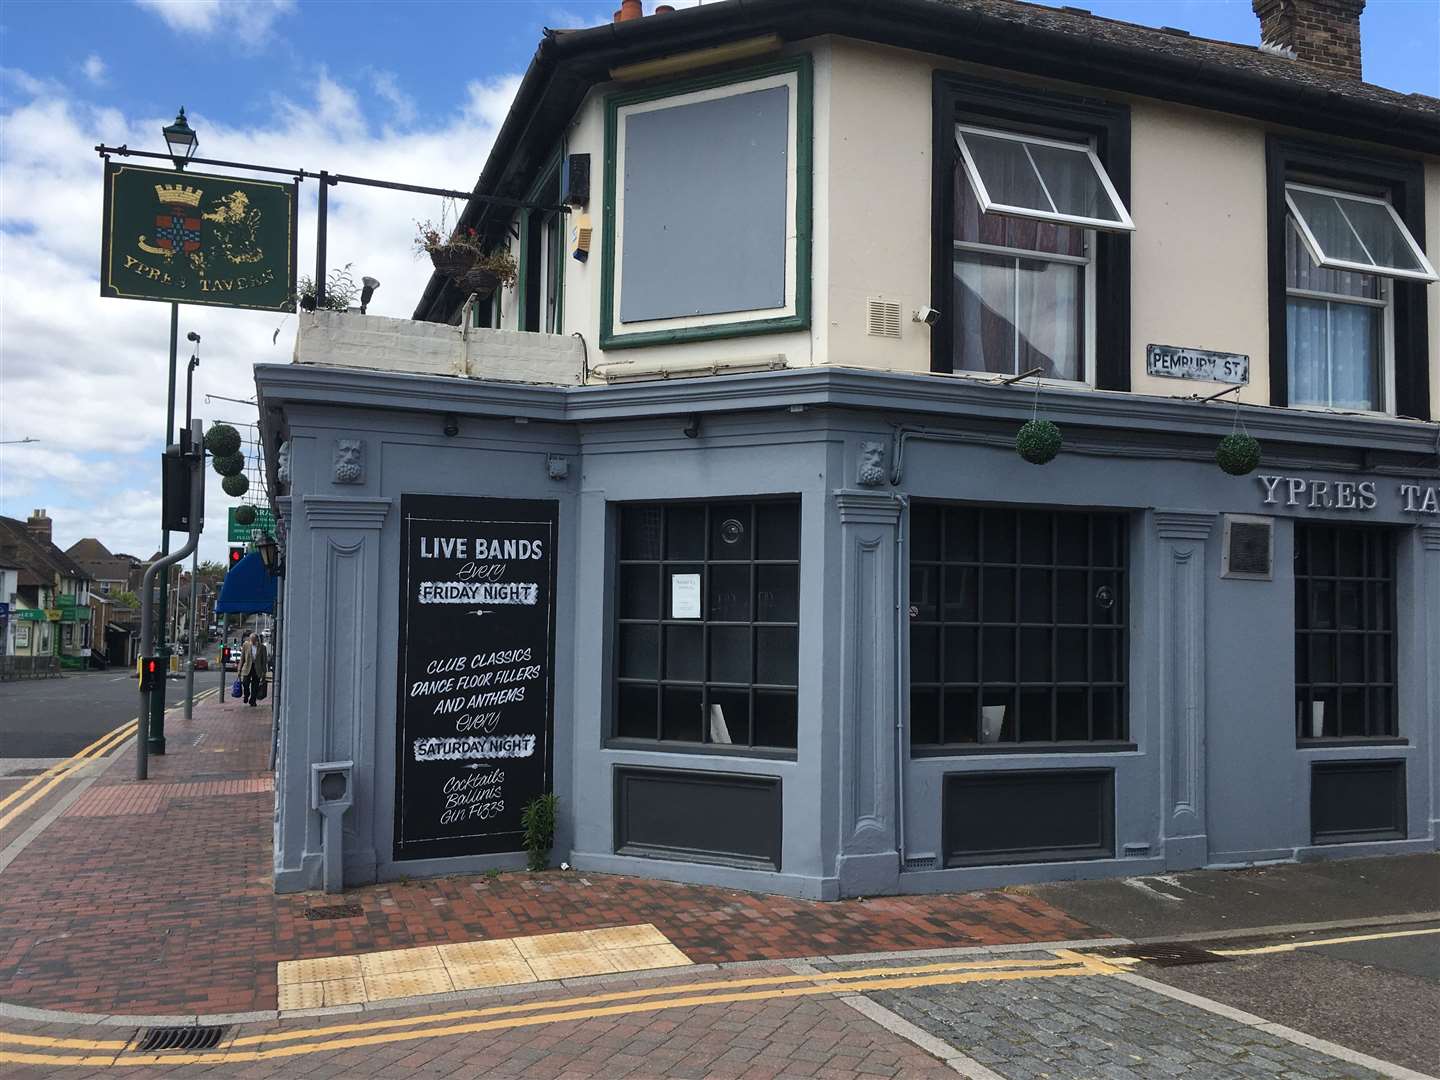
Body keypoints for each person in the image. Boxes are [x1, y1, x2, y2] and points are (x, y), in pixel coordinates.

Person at [239, 632, 268, 707]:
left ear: (257, 640)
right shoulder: (246, 645)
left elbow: (264, 661)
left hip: (257, 669)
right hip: (247, 667)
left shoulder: (262, 648)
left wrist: (264, 673)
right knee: (245, 683)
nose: (251, 641)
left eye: (253, 640)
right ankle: (246, 694)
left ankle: (253, 701)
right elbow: (242, 659)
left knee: (255, 686)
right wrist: (239, 670)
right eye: (250, 640)